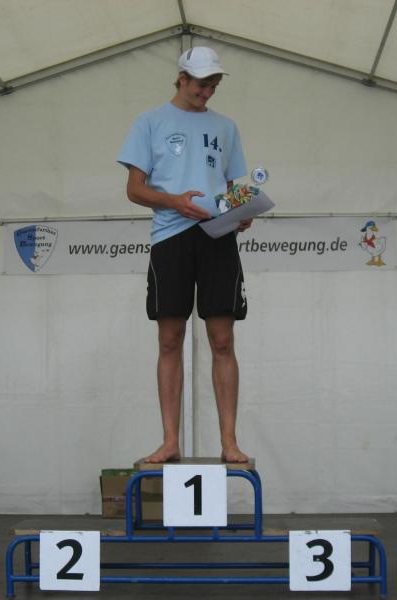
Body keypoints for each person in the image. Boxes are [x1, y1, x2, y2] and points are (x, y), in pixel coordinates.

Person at [118, 46, 252, 464]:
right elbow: (134, 189)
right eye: (200, 84)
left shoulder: (227, 127)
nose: (207, 92)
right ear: (181, 78)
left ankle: (229, 442)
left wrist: (242, 211)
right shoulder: (149, 122)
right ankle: (170, 440)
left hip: (217, 236)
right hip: (170, 237)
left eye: (214, 85)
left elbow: (233, 188)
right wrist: (174, 202)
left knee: (223, 340)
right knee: (169, 339)